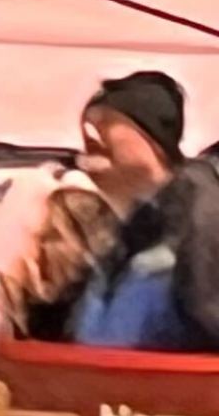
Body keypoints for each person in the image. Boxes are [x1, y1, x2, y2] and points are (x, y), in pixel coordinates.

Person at [17, 72, 219, 353]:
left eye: (104, 122)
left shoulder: (202, 215)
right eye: (86, 125)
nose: (88, 137)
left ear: (152, 139)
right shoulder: (121, 243)